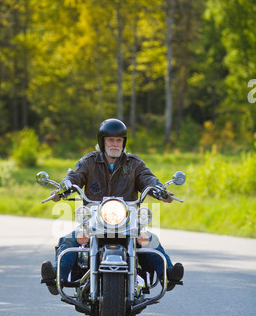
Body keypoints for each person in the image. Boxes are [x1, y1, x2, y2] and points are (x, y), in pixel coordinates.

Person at [41, 118, 184, 295]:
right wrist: (63, 189)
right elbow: (74, 177)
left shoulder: (134, 164)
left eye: (119, 140)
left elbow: (148, 178)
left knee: (148, 240)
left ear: (124, 142)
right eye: (110, 140)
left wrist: (160, 190)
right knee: (72, 240)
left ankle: (167, 274)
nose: (115, 144)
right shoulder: (89, 162)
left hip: (128, 221)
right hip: (94, 221)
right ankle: (56, 276)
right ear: (103, 142)